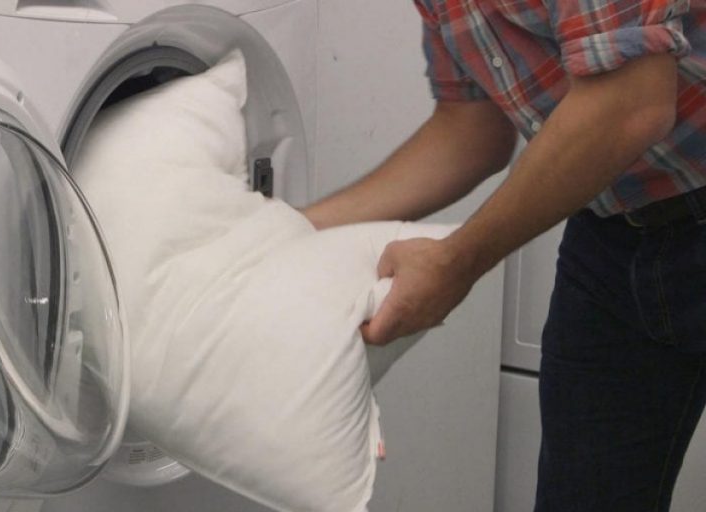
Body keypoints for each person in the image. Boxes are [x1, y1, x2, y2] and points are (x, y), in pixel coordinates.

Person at [301, 0, 706, 510]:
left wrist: (456, 263)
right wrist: (289, 228)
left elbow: (631, 106)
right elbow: (471, 133)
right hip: (615, 236)